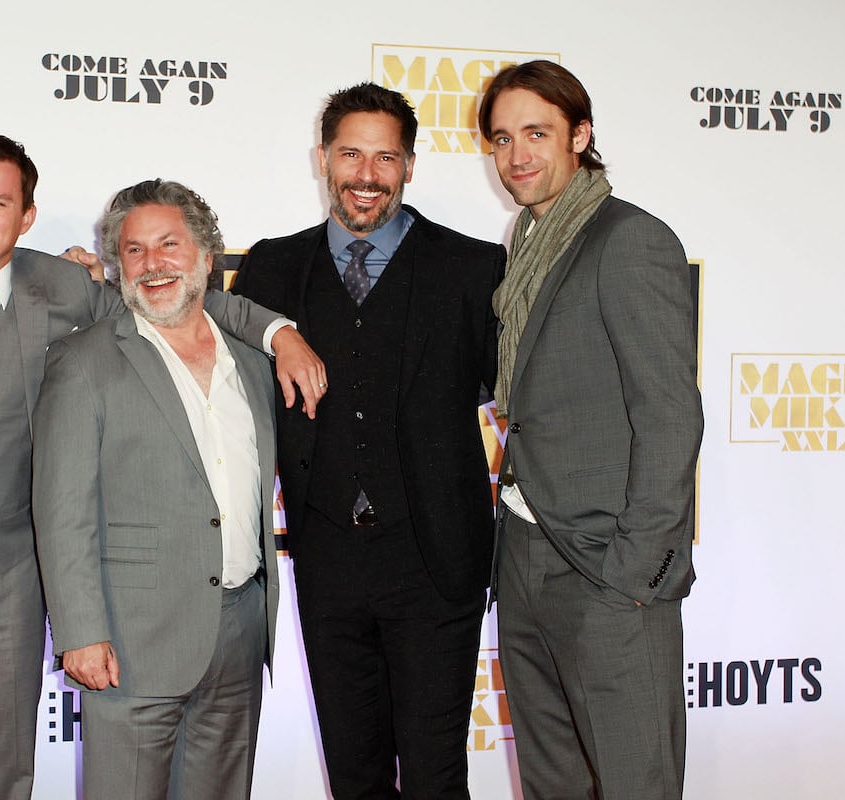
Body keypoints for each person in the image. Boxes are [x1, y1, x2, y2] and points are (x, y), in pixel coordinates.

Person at [0, 135, 323, 799]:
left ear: (27, 216)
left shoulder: (64, 288)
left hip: (6, 592)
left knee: (7, 783)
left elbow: (178, 302)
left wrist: (279, 332)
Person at [230, 83, 506, 798]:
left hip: (437, 559)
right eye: (351, 153)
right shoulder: (272, 268)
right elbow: (178, 316)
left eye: (386, 157)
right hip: (327, 564)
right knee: (353, 775)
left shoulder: (474, 270)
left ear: (410, 166)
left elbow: (527, 396)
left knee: (435, 773)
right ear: (323, 158)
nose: (366, 174)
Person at [478, 60, 703, 800]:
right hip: (525, 555)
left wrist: (636, 571)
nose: (517, 157)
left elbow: (669, 414)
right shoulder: (526, 242)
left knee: (635, 779)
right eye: (503, 138)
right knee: (552, 783)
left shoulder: (628, 241)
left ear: (581, 133)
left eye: (536, 133)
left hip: (607, 567)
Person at [33, 179, 279, 800]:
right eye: (134, 251)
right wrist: (80, 631)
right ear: (116, 268)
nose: (153, 264)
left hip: (240, 630)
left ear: (206, 256)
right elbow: (63, 511)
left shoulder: (251, 363)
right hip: (129, 640)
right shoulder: (82, 361)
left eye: (169, 245)